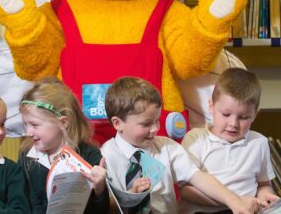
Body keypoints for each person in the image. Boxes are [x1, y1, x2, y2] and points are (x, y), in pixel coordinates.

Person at [101, 76, 263, 214]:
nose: (155, 129)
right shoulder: (106, 156)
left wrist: (233, 201)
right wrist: (131, 196)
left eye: (157, 121)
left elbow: (198, 177)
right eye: (146, 124)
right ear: (118, 123)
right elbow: (103, 206)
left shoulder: (166, 148)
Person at [178, 67, 280, 214]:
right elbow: (185, 190)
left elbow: (263, 184)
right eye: (226, 114)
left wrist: (265, 196)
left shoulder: (259, 143)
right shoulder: (195, 138)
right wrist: (233, 202)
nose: (233, 124)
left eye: (243, 117)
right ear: (211, 106)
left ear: (255, 115)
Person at [18, 76, 109, 213]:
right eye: (25, 124)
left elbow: (101, 210)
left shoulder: (89, 155)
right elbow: (25, 203)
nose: (28, 132)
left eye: (35, 125)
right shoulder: (26, 156)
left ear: (63, 122)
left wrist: (100, 189)